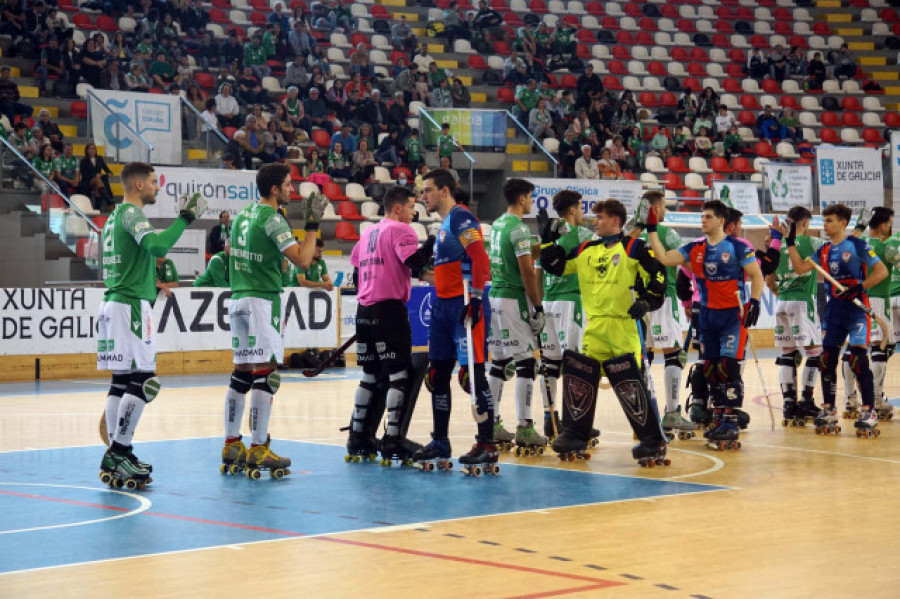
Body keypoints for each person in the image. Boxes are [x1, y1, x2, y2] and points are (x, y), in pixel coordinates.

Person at [97, 162, 207, 488]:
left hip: (116, 302)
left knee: (122, 381)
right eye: (154, 183)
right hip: (130, 305)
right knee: (146, 382)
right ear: (139, 185)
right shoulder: (133, 214)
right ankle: (117, 450)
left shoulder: (114, 217)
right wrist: (186, 217)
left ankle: (121, 450)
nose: (157, 188)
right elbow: (157, 248)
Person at [539, 199, 670, 465]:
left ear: (615, 220)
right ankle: (575, 433)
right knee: (579, 376)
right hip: (594, 326)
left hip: (624, 326)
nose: (594, 221)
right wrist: (547, 240)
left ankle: (652, 440)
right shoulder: (586, 248)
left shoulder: (635, 247)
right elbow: (556, 266)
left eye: (599, 217)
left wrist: (646, 302)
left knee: (631, 384)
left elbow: (658, 276)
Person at [219, 163, 324, 478]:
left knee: (241, 373)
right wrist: (312, 223)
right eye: (289, 185)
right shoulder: (272, 219)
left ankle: (231, 443)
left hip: (237, 299)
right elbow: (303, 261)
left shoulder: (241, 216)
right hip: (262, 302)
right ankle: (260, 446)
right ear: (275, 189)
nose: (292, 190)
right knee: (267, 375)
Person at [646, 200, 764, 450]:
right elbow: (665, 258)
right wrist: (652, 229)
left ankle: (731, 421)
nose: (703, 220)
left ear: (721, 221)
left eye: (708, 217)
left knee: (729, 367)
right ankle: (718, 416)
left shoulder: (738, 246)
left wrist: (754, 301)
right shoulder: (694, 248)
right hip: (707, 315)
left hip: (733, 316)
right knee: (710, 368)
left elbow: (756, 275)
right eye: (702, 216)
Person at [413, 168, 497, 469]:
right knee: (437, 376)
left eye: (428, 190)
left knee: (472, 377)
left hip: (463, 306)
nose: (423, 196)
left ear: (445, 191)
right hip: (441, 306)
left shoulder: (461, 218)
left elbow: (479, 259)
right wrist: (419, 272)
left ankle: (487, 442)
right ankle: (440, 440)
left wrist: (475, 298)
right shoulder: (443, 227)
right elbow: (445, 275)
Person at [346, 186, 435, 462]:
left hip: (364, 311)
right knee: (399, 375)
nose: (414, 212)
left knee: (370, 375)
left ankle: (357, 435)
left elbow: (357, 276)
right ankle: (393, 439)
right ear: (397, 208)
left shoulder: (368, 233)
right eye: (411, 207)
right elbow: (414, 264)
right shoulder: (401, 231)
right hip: (389, 310)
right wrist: (431, 242)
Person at [784, 205, 887, 437]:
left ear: (843, 223)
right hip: (834, 310)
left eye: (829, 220)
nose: (825, 225)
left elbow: (881, 272)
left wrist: (859, 288)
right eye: (824, 220)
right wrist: (790, 243)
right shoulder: (824, 250)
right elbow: (801, 268)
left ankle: (869, 410)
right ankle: (829, 408)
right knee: (827, 359)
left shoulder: (857, 245)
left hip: (857, 309)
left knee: (859, 360)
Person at [626, 192, 697, 438]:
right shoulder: (666, 233)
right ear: (656, 208)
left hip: (636, 302)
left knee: (644, 357)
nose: (665, 210)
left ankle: (643, 417)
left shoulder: (631, 234)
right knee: (674, 355)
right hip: (663, 298)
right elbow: (687, 262)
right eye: (664, 206)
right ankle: (672, 412)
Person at [483, 179, 547, 452]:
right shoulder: (520, 229)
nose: (532, 201)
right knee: (525, 362)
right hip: (513, 297)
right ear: (522, 199)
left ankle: (493, 423)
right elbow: (527, 272)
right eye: (530, 197)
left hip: (495, 295)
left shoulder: (497, 224)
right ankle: (525, 426)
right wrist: (538, 306)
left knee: (499, 362)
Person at [533, 190, 595, 437]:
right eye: (580, 207)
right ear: (572, 209)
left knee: (549, 365)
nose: (582, 212)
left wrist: (537, 305)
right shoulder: (583, 235)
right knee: (574, 364)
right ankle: (574, 422)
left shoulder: (546, 234)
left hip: (547, 302)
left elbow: (537, 271)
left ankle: (550, 418)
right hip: (571, 301)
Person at [842, 208, 900, 421]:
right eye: (889, 222)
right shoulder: (884, 248)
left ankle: (849, 398)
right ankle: (876, 397)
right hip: (877, 300)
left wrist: (858, 228)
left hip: (854, 301)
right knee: (879, 349)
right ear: (883, 225)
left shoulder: (856, 245)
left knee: (852, 349)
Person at [79, 142, 114, 212]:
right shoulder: (83, 161)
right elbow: (84, 175)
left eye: (93, 149)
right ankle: (109, 201)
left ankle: (96, 209)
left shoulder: (99, 158)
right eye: (90, 149)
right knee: (98, 179)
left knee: (97, 188)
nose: (92, 150)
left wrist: (109, 173)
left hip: (98, 182)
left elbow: (106, 169)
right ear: (87, 150)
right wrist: (95, 176)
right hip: (88, 181)